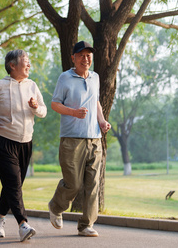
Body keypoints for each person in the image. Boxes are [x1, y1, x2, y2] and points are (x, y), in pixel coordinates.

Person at [0, 49, 47, 242]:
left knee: (14, 184)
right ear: (12, 65)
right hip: (3, 139)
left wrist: (36, 107)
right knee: (13, 183)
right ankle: (23, 224)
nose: (28, 65)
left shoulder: (32, 86)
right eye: (25, 61)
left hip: (25, 141)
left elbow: (43, 111)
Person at [47, 41, 111, 237]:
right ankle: (56, 207)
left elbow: (96, 103)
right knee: (73, 183)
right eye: (81, 55)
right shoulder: (65, 78)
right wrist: (74, 112)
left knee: (93, 184)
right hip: (71, 139)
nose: (86, 59)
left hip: (94, 138)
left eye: (88, 55)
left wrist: (102, 121)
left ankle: (86, 225)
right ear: (73, 58)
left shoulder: (95, 77)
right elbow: (55, 104)